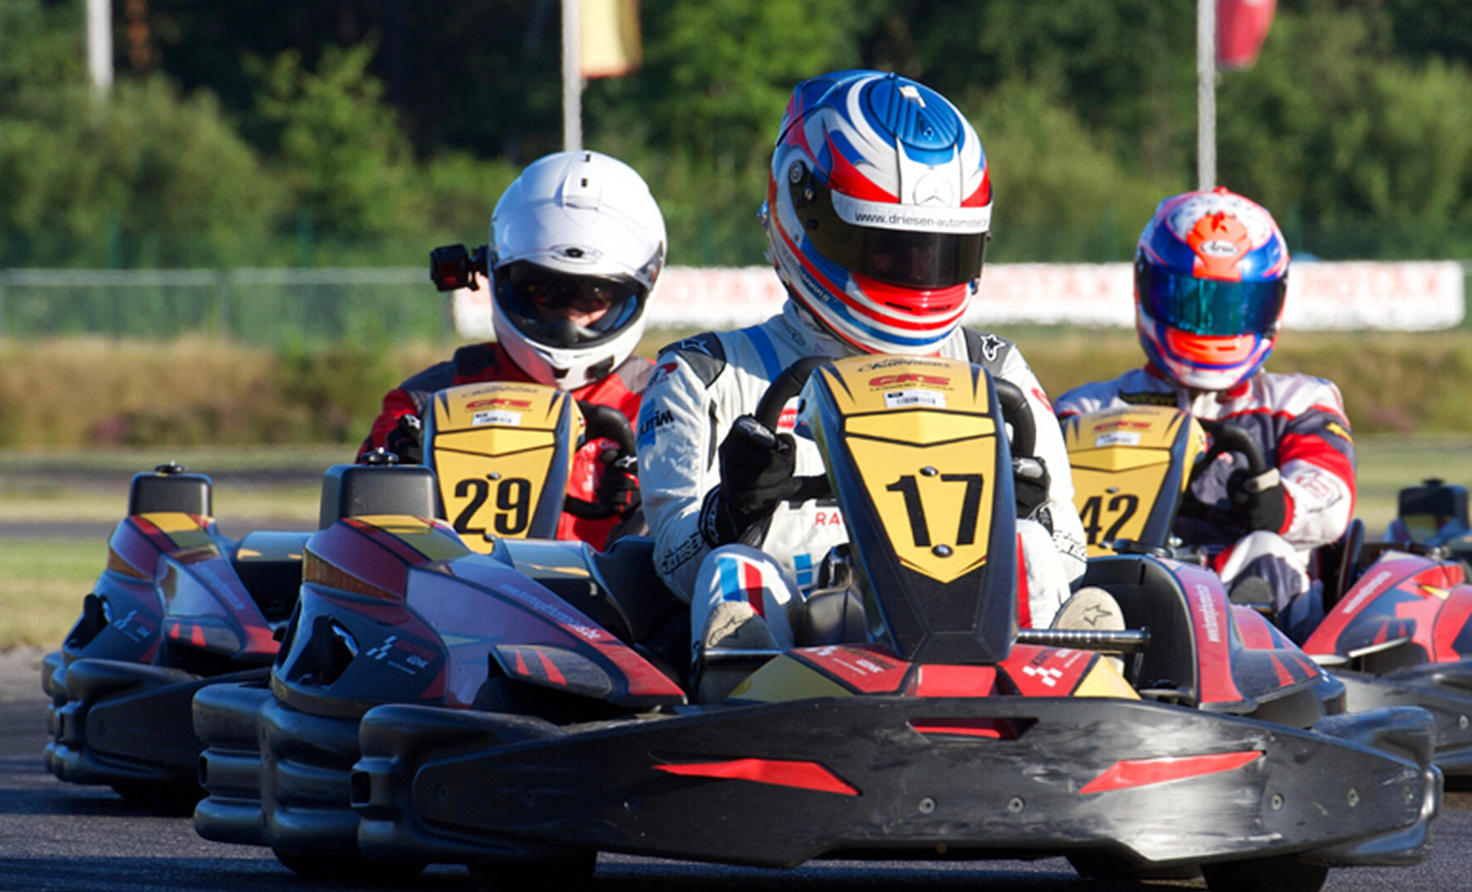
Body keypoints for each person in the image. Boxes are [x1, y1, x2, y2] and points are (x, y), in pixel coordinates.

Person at [635, 70, 1089, 699]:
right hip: (801, 657)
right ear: (807, 214)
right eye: (888, 252)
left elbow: (1068, 548)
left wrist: (1027, 506)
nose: (917, 274)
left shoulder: (994, 369)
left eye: (938, 253)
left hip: (984, 663)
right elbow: (672, 562)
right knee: (731, 571)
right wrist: (734, 510)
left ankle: (1066, 714)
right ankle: (743, 721)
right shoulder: (705, 373)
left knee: (1030, 546)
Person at [1055, 187, 1355, 636]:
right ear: (1148, 288)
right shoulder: (1087, 410)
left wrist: (1280, 504)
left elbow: (1332, 495)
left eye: (1232, 306)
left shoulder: (1298, 402)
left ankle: (1264, 680)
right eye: (1190, 301)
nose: (1211, 323)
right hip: (1123, 592)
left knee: (1264, 547)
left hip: (1240, 602)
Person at [358, 150, 666, 549]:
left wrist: (659, 506)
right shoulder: (421, 407)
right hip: (455, 601)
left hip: (612, 608)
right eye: (545, 292)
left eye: (594, 296)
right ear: (499, 276)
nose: (567, 322)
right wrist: (405, 474)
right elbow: (361, 547)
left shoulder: (667, 402)